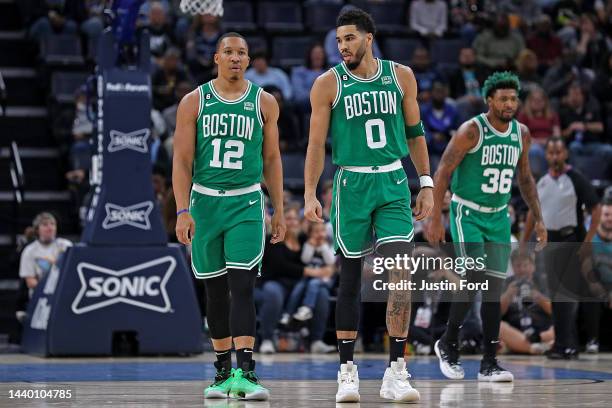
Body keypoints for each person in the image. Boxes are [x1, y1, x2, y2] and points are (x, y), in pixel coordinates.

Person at [304, 8, 433, 403]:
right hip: (352, 182)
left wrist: (425, 182)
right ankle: (347, 372)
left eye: (349, 39)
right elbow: (315, 146)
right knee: (349, 278)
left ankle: (397, 370)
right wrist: (310, 192)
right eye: (339, 40)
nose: (343, 46)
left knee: (401, 274)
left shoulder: (401, 76)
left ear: (368, 38)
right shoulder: (327, 85)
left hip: (393, 180)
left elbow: (415, 134)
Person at [172, 32, 286, 401]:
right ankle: (222, 371)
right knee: (216, 291)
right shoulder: (194, 102)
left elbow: (271, 159)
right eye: (229, 52)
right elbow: (182, 161)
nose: (235, 58)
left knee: (242, 287)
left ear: (248, 60)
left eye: (242, 53)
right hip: (205, 203)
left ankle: (247, 372)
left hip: (246, 203)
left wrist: (280, 209)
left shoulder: (264, 102)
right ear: (216, 58)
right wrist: (182, 210)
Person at [427, 72, 547, 382]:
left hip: (497, 217)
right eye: (503, 98)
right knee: (473, 276)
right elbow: (442, 171)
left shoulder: (521, 134)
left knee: (494, 290)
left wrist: (539, 218)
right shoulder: (471, 130)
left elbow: (525, 178)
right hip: (467, 212)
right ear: (489, 100)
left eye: (513, 98)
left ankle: (489, 363)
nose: (509, 103)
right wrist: (434, 218)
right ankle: (448, 343)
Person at [522, 136, 601, 359]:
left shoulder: (575, 178)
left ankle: (566, 345)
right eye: (551, 152)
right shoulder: (542, 182)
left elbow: (595, 209)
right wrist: (524, 242)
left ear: (565, 154)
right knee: (557, 297)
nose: (555, 156)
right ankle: (565, 344)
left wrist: (587, 241)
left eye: (559, 152)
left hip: (571, 240)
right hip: (550, 242)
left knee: (565, 295)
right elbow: (532, 212)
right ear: (546, 155)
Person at [257, 208, 334, 354]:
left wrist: (328, 268)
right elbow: (279, 266)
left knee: (322, 293)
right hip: (277, 281)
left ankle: (316, 341)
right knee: (272, 292)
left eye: (295, 219)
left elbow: (318, 257)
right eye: (288, 218)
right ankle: (266, 339)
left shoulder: (303, 238)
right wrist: (312, 271)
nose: (292, 222)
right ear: (281, 221)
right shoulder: (273, 238)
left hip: (301, 283)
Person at [499, 250, 554, 355]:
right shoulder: (507, 283)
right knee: (499, 327)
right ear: (513, 268)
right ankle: (533, 348)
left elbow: (554, 311)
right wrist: (507, 295)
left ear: (533, 266)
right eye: (518, 266)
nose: (522, 269)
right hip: (516, 331)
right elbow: (497, 313)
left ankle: (525, 346)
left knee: (561, 326)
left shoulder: (542, 281)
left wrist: (538, 296)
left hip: (542, 331)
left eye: (526, 265)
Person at [19, 213, 72, 298]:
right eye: (45, 225)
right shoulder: (29, 251)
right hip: (40, 296)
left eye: (52, 224)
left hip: (63, 294)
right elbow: (30, 282)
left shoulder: (65, 245)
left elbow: (72, 272)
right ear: (37, 230)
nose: (50, 228)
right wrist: (51, 287)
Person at [517, 87, 561, 177]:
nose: (537, 102)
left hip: (549, 144)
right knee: (535, 150)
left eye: (540, 100)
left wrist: (549, 142)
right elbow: (520, 135)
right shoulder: (523, 115)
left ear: (545, 102)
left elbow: (557, 134)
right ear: (529, 101)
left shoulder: (552, 115)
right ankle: (538, 178)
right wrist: (535, 142)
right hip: (531, 144)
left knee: (555, 150)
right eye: (534, 100)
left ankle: (552, 176)